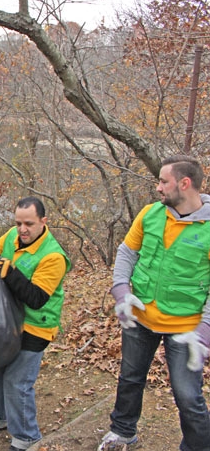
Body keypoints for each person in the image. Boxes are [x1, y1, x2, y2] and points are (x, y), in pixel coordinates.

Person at [99, 155, 210, 451]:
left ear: (184, 184)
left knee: (188, 396)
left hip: (186, 329)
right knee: (130, 378)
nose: (158, 188)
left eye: (163, 181)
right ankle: (123, 432)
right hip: (141, 317)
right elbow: (126, 253)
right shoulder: (150, 214)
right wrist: (121, 291)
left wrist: (204, 330)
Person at [0, 196, 69, 451]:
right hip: (7, 320)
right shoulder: (12, 236)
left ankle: (27, 437)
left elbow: (36, 298)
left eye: (28, 223)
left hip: (36, 326)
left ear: (43, 222)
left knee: (17, 381)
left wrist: (10, 272)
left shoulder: (53, 256)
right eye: (18, 223)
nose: (22, 229)